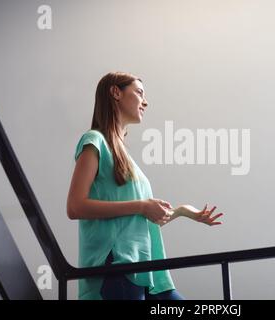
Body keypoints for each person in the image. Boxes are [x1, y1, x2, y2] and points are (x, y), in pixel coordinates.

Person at [66, 72, 223, 300]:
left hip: (148, 268)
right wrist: (141, 206)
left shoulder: (127, 160)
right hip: (117, 264)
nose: (145, 101)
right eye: (139, 92)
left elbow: (135, 221)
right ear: (116, 93)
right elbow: (75, 207)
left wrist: (182, 211)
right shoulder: (94, 140)